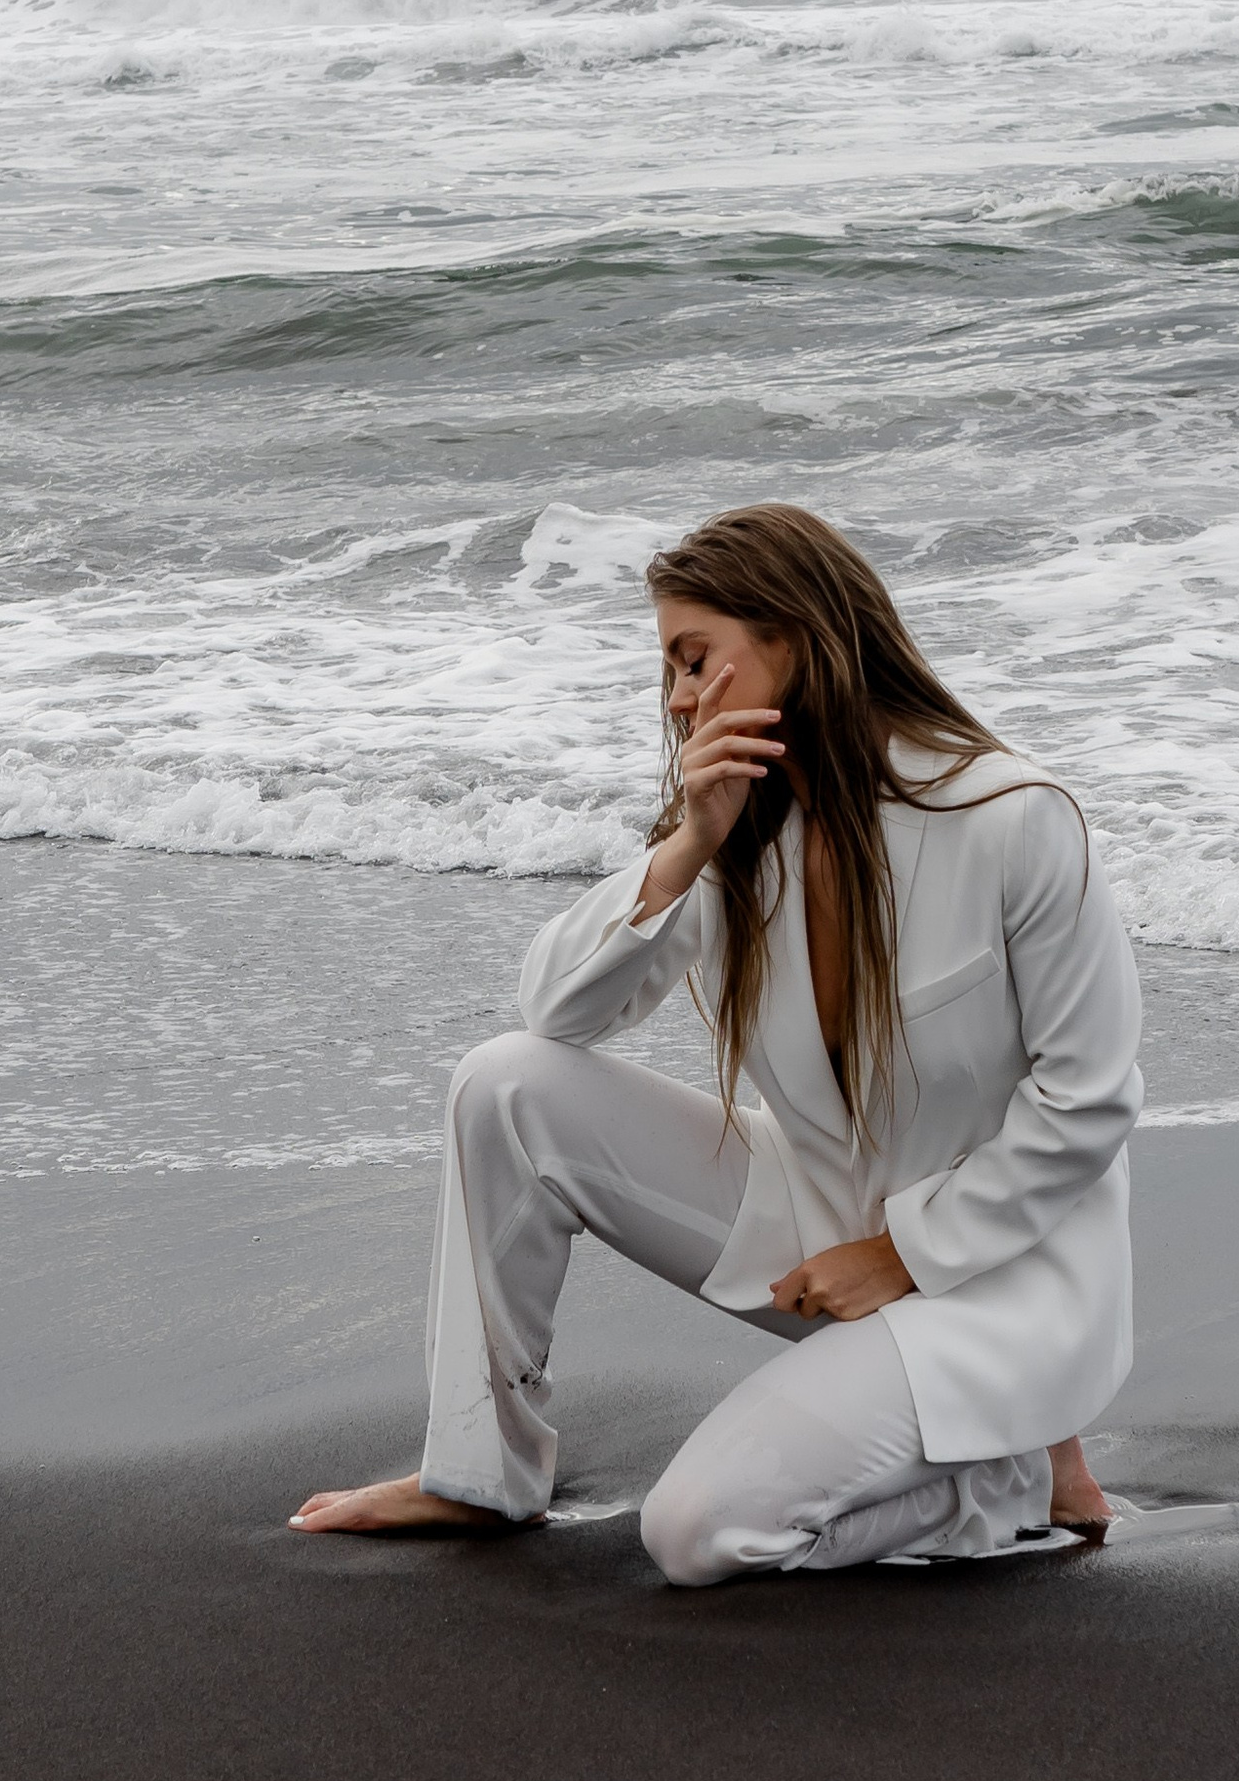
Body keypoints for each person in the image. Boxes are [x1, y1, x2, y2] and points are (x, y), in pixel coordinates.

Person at [293, 504, 1143, 1583]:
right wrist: (690, 842)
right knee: (503, 1085)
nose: (679, 698)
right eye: (669, 672)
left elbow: (1089, 1101)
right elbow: (556, 1011)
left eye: (695, 660)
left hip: (998, 1286)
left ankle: (1010, 1477)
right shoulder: (743, 831)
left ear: (795, 636)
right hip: (820, 1223)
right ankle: (481, 1475)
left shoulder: (1012, 818)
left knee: (697, 1534)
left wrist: (898, 1257)